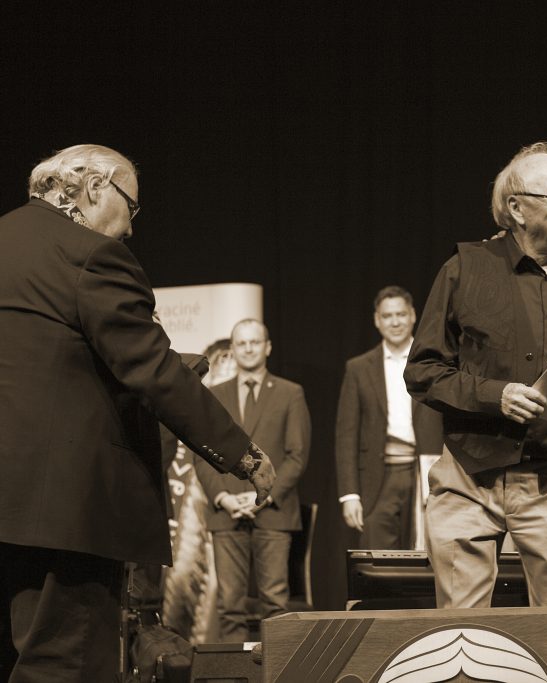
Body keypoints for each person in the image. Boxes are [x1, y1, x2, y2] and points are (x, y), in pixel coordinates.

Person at [0, 144, 276, 682]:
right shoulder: (91, 255)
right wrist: (243, 455)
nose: (129, 227)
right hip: (65, 513)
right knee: (65, 667)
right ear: (95, 186)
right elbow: (152, 370)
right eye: (131, 206)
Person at [405, 142, 547, 608]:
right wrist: (495, 395)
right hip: (469, 478)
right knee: (461, 634)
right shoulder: (466, 267)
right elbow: (422, 371)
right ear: (517, 209)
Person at [195, 319, 311, 642]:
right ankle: (236, 670)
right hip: (227, 511)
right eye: (241, 343)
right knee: (229, 607)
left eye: (254, 342)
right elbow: (201, 454)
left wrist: (265, 495)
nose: (248, 349)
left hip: (273, 511)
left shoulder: (290, 393)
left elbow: (297, 455)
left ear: (267, 347)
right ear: (232, 350)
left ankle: (279, 669)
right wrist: (223, 498)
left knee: (275, 605)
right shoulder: (214, 395)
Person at [335, 286, 443, 549]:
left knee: (428, 557)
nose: (395, 322)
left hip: (427, 473)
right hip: (377, 479)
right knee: (379, 559)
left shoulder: (435, 363)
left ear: (413, 316)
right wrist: (349, 494)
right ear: (377, 320)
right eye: (387, 316)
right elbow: (347, 435)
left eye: (400, 314)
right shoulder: (359, 368)